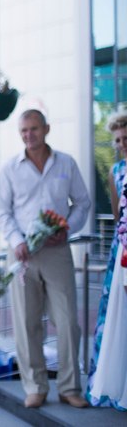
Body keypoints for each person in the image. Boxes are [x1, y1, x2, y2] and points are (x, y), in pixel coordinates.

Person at [0, 109, 91, 409]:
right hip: (22, 254)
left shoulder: (66, 163)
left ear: (46, 129)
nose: (28, 135)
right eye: (23, 130)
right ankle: (35, 387)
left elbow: (83, 203)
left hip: (57, 251)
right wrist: (16, 240)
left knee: (68, 321)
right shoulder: (10, 169)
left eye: (33, 129)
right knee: (26, 323)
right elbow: (0, 211)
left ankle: (70, 387)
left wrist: (67, 228)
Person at [87, 111, 127, 409]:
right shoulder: (116, 171)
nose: (122, 144)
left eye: (126, 138)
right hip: (123, 249)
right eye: (118, 140)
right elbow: (117, 215)